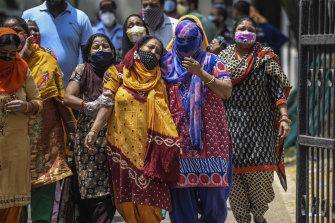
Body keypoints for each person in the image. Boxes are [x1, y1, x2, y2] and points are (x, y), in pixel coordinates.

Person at [85, 36, 180, 223]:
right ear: (137, 48)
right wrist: (94, 131)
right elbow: (106, 103)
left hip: (152, 153)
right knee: (126, 204)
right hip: (122, 150)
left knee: (151, 205)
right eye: (150, 47)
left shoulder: (163, 78)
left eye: (158, 51)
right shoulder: (118, 73)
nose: (153, 52)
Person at [218, 16, 292, 223]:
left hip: (262, 129)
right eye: (241, 28)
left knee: (261, 176)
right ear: (234, 33)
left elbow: (278, 90)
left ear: (256, 33)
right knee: (236, 178)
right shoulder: (222, 58)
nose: (246, 31)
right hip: (231, 128)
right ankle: (242, 219)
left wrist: (284, 117)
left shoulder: (265, 56)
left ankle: (259, 217)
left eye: (250, 29)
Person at [160, 15, 233, 223]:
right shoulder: (165, 64)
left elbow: (226, 91)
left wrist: (200, 72)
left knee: (215, 200)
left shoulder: (212, 61)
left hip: (211, 142)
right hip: (178, 143)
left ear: (200, 38)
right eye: (180, 41)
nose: (184, 45)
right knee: (181, 202)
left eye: (190, 40)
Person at [2, 16, 75, 223]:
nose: (15, 36)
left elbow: (60, 98)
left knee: (44, 193)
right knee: (14, 201)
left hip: (44, 139)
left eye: (19, 31)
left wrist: (71, 129)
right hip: (9, 142)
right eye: (8, 31)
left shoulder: (46, 60)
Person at [64, 33, 116, 223]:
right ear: (88, 52)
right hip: (88, 137)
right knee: (90, 186)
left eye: (105, 46)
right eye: (96, 47)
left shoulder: (118, 71)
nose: (101, 49)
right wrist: (89, 105)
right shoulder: (82, 69)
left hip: (114, 135)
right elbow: (68, 97)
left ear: (113, 50)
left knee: (110, 189)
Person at [0, 27, 42, 223]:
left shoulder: (22, 68)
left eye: (12, 54)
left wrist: (25, 106)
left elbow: (38, 102)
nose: (8, 58)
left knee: (12, 202)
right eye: (3, 54)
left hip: (16, 148)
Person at [22, 0, 92, 86]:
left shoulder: (81, 17)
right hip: (35, 86)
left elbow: (88, 55)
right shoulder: (29, 15)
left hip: (68, 87)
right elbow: (19, 47)